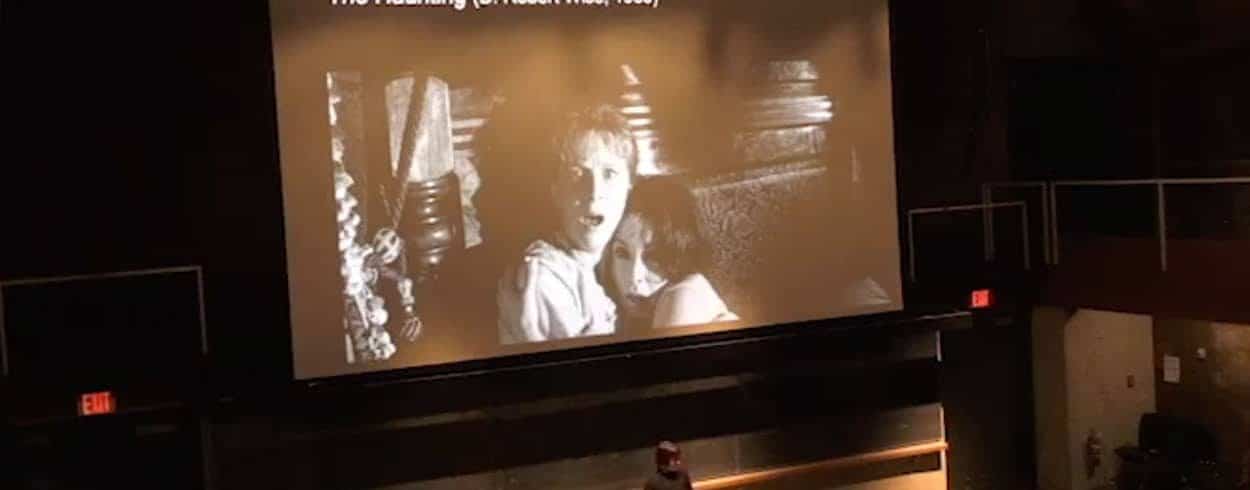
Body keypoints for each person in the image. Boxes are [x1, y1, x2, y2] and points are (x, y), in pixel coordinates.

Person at [496, 103, 637, 344]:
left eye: (609, 174)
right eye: (577, 174)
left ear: (629, 186)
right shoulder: (544, 277)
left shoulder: (613, 260)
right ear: (556, 191)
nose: (594, 192)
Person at [606, 175, 738, 329]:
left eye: (654, 257)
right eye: (622, 253)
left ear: (682, 253)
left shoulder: (682, 296)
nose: (634, 278)